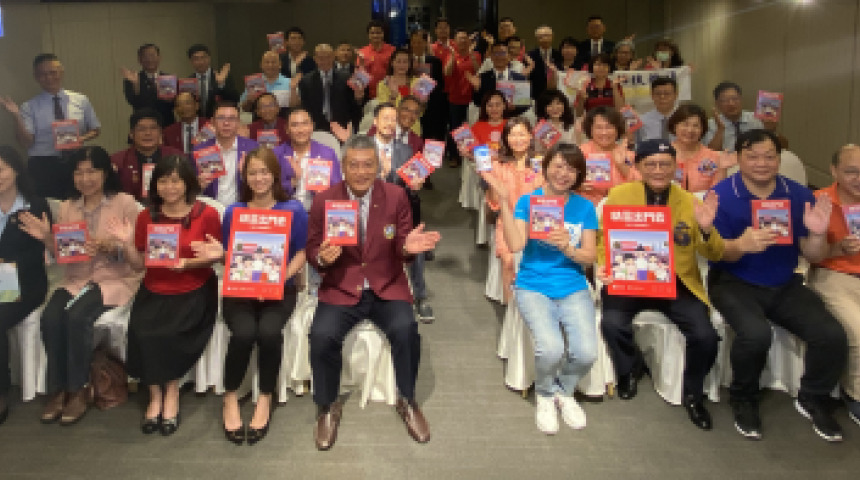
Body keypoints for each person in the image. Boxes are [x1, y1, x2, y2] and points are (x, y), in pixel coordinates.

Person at [598, 139, 759, 430]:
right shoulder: (620, 194)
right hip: (630, 276)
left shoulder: (691, 202)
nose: (658, 170)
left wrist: (707, 229)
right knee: (611, 323)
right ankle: (629, 368)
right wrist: (602, 264)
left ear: (675, 167)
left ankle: (693, 393)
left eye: (665, 164)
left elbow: (715, 253)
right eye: (651, 164)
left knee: (705, 336)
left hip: (676, 280)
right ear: (639, 167)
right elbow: (603, 237)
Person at [708, 129, 848, 442]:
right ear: (738, 158)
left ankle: (813, 396)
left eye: (769, 156)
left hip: (784, 282)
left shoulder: (799, 195)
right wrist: (740, 245)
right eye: (752, 156)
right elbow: (715, 252)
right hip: (733, 281)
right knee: (756, 335)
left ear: (779, 159)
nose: (761, 163)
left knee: (831, 334)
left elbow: (813, 255)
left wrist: (817, 234)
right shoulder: (722, 195)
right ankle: (744, 398)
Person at [306, 134, 441, 450]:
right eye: (354, 165)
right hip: (342, 285)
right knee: (321, 336)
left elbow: (402, 243)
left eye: (368, 165)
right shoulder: (325, 200)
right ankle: (327, 405)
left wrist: (407, 249)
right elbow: (311, 247)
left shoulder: (395, 196)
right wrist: (321, 258)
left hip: (386, 284)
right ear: (343, 167)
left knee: (406, 330)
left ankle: (407, 399)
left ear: (379, 166)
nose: (361, 172)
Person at [18, 146, 141, 426]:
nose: (85, 179)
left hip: (113, 279)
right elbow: (63, 252)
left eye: (92, 171)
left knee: (77, 317)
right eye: (79, 172)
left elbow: (135, 253)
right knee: (50, 318)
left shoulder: (124, 203)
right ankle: (58, 389)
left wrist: (110, 247)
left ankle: (78, 388)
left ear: (105, 173)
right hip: (76, 279)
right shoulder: (67, 206)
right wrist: (47, 238)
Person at [481, 142, 598, 434]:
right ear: (545, 168)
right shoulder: (528, 202)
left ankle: (564, 390)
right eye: (558, 166)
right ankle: (545, 394)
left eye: (571, 169)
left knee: (586, 353)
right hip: (533, 284)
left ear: (579, 174)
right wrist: (505, 202)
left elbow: (589, 257)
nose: (563, 173)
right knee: (551, 349)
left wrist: (568, 248)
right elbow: (516, 244)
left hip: (572, 285)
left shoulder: (584, 207)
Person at [194, 148, 308, 445]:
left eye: (264, 172)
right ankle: (230, 396)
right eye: (253, 172)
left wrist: (280, 278)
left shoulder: (293, 210)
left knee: (269, 333)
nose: (259, 178)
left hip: (280, 289)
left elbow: (301, 252)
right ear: (245, 177)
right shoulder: (234, 212)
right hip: (242, 290)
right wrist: (220, 254)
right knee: (243, 333)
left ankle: (265, 397)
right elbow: (231, 258)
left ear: (275, 175)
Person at [114, 155, 220, 436]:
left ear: (187, 183)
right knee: (142, 331)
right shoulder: (146, 216)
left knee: (170, 333)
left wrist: (188, 263)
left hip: (194, 288)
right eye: (163, 181)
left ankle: (171, 392)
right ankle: (154, 395)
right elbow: (138, 265)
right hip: (154, 288)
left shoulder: (206, 214)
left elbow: (214, 257)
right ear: (155, 185)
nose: (170, 187)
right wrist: (126, 243)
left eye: (176, 180)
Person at [0, 53, 101, 200]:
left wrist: (81, 139)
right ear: (36, 77)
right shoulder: (29, 106)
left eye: (53, 72)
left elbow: (95, 129)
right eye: (43, 74)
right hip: (44, 165)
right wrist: (16, 116)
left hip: (76, 162)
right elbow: (26, 142)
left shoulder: (81, 100)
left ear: (61, 72)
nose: (48, 78)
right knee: (48, 206)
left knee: (79, 203)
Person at [0, 146, 52, 425]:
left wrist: (45, 237)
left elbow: (48, 253)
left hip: (25, 283)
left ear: (16, 170)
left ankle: (1, 390)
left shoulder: (35, 205)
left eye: (1, 169)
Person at [810, 144, 860, 428]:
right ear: (834, 171)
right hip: (834, 273)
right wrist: (838, 247)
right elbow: (811, 257)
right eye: (852, 172)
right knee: (858, 329)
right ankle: (855, 395)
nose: (858, 179)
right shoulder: (819, 201)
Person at [370, 103, 433, 322]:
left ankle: (420, 296)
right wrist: (382, 176)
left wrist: (415, 187)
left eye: (393, 119)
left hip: (397, 211)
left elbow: (408, 188)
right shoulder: (363, 146)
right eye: (385, 118)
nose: (390, 123)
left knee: (415, 240)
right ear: (375, 122)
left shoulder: (405, 150)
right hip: (367, 210)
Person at [484, 117, 543, 305]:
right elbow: (494, 203)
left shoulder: (540, 165)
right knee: (509, 262)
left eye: (522, 134)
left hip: (537, 224)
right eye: (512, 134)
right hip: (507, 223)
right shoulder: (498, 165)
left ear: (530, 136)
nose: (518, 139)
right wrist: (491, 181)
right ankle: (511, 310)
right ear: (506, 138)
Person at [273, 108, 342, 210]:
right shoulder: (276, 154)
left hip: (318, 210)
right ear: (287, 129)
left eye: (305, 124)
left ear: (312, 126)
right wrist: (293, 181)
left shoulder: (327, 153)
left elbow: (337, 190)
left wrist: (322, 190)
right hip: (286, 211)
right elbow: (270, 191)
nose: (301, 130)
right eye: (295, 125)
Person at [195, 101, 260, 206]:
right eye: (221, 118)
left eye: (232, 118)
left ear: (238, 122)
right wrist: (198, 186)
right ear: (212, 122)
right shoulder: (201, 150)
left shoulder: (253, 148)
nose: (226, 123)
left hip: (243, 207)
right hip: (210, 208)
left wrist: (246, 174)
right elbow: (190, 190)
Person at [111, 108, 183, 201]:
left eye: (153, 128)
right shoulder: (117, 161)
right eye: (141, 129)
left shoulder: (177, 157)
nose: (148, 133)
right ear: (131, 134)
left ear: (161, 133)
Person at [296, 44, 364, 135]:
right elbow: (305, 107)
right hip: (316, 127)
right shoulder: (306, 81)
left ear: (333, 57)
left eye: (328, 57)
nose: (325, 61)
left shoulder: (347, 77)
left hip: (342, 126)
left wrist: (358, 99)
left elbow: (356, 105)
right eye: (321, 58)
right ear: (315, 59)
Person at [577, 106, 639, 204]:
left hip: (620, 207)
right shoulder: (579, 153)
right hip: (587, 207)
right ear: (590, 129)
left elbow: (641, 185)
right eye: (599, 128)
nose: (604, 133)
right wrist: (575, 185)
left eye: (609, 127)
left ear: (617, 129)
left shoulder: (628, 155)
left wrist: (622, 166)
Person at [668, 103, 727, 193]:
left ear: (702, 130)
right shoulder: (662, 154)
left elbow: (718, 192)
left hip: (703, 201)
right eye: (685, 124)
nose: (690, 130)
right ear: (674, 126)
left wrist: (723, 169)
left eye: (696, 126)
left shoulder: (713, 157)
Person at [444, 29, 482, 168]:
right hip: (455, 98)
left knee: (472, 128)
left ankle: (470, 155)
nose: (463, 40)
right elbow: (447, 72)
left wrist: (472, 56)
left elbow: (479, 72)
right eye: (460, 38)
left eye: (465, 38)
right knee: (456, 129)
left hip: (472, 99)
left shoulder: (476, 55)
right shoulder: (451, 55)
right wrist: (453, 56)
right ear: (454, 41)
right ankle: (455, 156)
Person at [121, 43, 175, 128]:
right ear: (139, 60)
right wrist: (136, 85)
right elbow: (133, 101)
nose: (149, 59)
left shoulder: (168, 78)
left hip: (166, 124)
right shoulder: (132, 79)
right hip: (143, 125)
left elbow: (174, 105)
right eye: (145, 56)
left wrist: (171, 100)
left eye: (152, 55)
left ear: (159, 57)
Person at [469, 42, 529, 118]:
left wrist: (515, 107)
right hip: (489, 119)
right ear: (491, 57)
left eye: (503, 53)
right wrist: (477, 89)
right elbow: (477, 103)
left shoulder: (520, 78)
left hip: (512, 118)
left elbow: (525, 105)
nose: (499, 56)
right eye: (496, 53)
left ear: (509, 56)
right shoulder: (483, 77)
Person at [702, 82, 764, 152]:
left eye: (735, 99)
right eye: (725, 100)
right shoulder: (710, 124)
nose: (731, 104)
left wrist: (769, 128)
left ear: (741, 99)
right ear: (717, 104)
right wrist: (720, 130)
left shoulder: (755, 119)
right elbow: (710, 152)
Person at [409, 30, 446, 144]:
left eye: (420, 42)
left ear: (425, 43)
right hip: (411, 104)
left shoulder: (435, 61)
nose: (417, 45)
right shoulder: (406, 61)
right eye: (414, 42)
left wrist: (428, 86)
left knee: (430, 137)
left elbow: (440, 84)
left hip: (431, 106)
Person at [375, 48, 421, 136]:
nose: (402, 65)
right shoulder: (383, 84)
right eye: (398, 61)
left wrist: (423, 101)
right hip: (391, 128)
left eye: (405, 62)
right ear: (392, 63)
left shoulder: (417, 82)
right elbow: (384, 112)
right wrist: (393, 95)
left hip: (413, 129)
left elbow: (420, 112)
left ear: (409, 64)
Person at [186, 44, 238, 119]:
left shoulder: (222, 76)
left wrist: (221, 84)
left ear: (209, 58)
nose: (201, 62)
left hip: (219, 119)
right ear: (191, 61)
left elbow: (234, 99)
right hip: (197, 121)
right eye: (196, 59)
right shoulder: (188, 81)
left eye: (203, 57)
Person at [358, 20, 396, 99]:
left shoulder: (393, 51)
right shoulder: (362, 52)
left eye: (378, 33)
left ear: (383, 34)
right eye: (372, 33)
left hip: (389, 92)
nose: (375, 35)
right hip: (368, 94)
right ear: (368, 35)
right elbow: (359, 74)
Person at [635, 77, 679, 146]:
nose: (662, 97)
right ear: (652, 96)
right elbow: (636, 146)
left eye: (667, 93)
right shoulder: (641, 121)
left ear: (676, 95)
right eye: (658, 94)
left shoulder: (684, 119)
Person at [528, 25, 563, 101]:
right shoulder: (530, 55)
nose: (545, 39)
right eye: (541, 36)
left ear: (552, 37)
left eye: (547, 35)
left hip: (556, 92)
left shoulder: (559, 55)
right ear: (537, 39)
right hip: (536, 93)